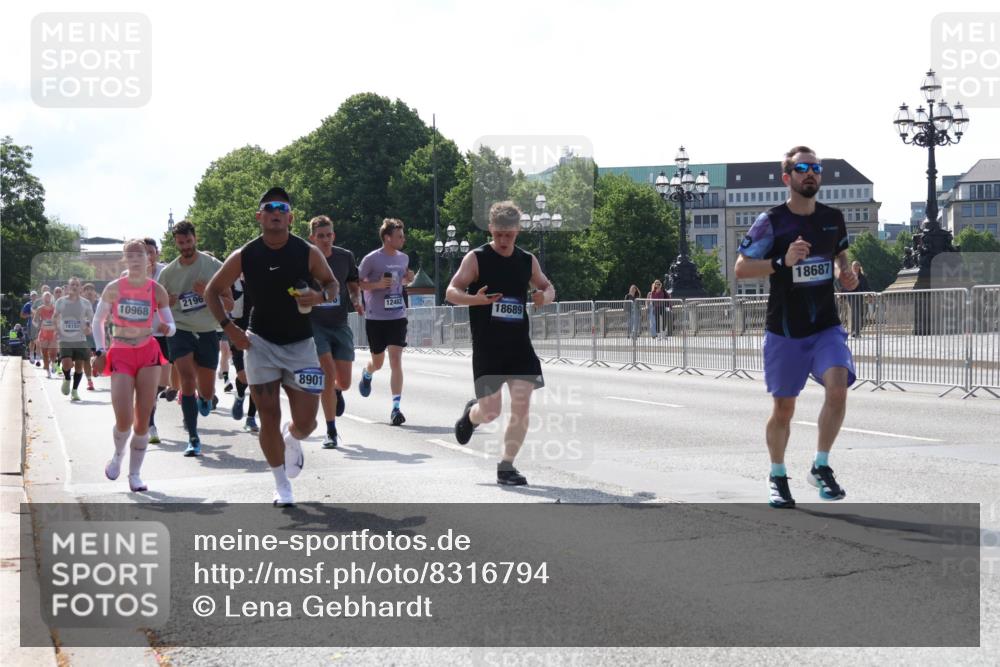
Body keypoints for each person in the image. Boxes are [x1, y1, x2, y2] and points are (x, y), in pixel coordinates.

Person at [734, 145, 858, 508]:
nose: (811, 173)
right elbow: (741, 268)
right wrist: (781, 261)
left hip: (825, 325)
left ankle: (821, 466)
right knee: (784, 409)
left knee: (838, 389)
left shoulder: (833, 217)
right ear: (786, 177)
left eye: (816, 168)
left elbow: (839, 256)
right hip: (785, 330)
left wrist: (845, 274)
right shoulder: (771, 221)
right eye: (802, 167)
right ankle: (777, 474)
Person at [205, 186, 339, 507]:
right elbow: (212, 291)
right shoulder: (245, 255)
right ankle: (281, 485)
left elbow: (333, 284)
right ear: (259, 216)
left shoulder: (307, 252)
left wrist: (319, 297)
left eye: (282, 208)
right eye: (269, 208)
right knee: (267, 414)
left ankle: (291, 437)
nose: (276, 212)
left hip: (301, 344)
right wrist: (230, 329)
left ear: (290, 217)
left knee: (308, 422)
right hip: (260, 342)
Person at [448, 201, 555, 486]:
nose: (504, 241)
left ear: (517, 231)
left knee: (521, 408)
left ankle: (506, 466)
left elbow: (547, 286)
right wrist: (475, 300)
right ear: (491, 229)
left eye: (509, 235)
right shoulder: (476, 258)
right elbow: (451, 291)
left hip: (519, 346)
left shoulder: (526, 260)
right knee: (491, 411)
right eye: (499, 235)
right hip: (488, 347)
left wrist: (545, 297)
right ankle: (471, 417)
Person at [91, 239, 175, 492]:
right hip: (121, 353)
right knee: (124, 419)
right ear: (125, 260)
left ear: (149, 260)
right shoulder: (114, 288)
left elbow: (171, 327)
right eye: (131, 256)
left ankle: (135, 474)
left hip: (148, 353)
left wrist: (165, 328)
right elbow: (98, 321)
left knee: (142, 420)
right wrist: (100, 350)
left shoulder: (156, 290)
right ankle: (118, 455)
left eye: (141, 255)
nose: (136, 259)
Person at [158, 221, 233, 456]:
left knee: (207, 391)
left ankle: (206, 399)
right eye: (181, 243)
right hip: (180, 330)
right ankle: (193, 437)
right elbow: (158, 307)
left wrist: (208, 293)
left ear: (195, 239)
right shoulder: (168, 273)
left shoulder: (214, 266)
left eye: (188, 242)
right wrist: (166, 304)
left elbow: (230, 303)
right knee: (188, 379)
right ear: (176, 243)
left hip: (208, 330)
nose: (185, 247)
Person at [308, 215, 363, 448]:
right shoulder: (305, 258)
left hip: (339, 324)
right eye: (320, 236)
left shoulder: (345, 256)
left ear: (334, 235)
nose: (325, 240)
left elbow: (352, 283)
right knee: (327, 375)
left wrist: (356, 299)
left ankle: (337, 392)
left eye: (328, 235)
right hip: (315, 325)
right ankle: (331, 431)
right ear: (312, 238)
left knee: (345, 382)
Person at [357, 219, 414, 426]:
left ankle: (396, 408)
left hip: (397, 315)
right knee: (378, 363)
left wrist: (409, 277)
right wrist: (377, 284)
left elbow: (404, 280)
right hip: (376, 317)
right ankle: (367, 372)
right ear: (388, 237)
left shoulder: (404, 258)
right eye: (399, 236)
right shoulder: (372, 259)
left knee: (396, 361)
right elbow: (357, 283)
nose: (403, 239)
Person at [226, 273, 259, 433]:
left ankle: (251, 418)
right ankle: (240, 394)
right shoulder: (232, 285)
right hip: (237, 333)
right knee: (244, 376)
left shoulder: (262, 281)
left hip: (260, 335)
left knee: (256, 378)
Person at [53, 277, 94, 401]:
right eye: (72, 285)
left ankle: (75, 391)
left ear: (80, 288)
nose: (74, 287)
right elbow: (55, 316)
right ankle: (66, 378)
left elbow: (92, 320)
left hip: (80, 339)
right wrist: (57, 329)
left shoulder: (86, 303)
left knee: (78, 366)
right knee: (66, 364)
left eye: (77, 285)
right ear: (69, 287)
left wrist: (89, 328)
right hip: (65, 338)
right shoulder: (61, 301)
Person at [33, 292, 58, 377]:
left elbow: (60, 320)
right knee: (44, 352)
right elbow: (34, 321)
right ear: (43, 299)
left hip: (53, 333)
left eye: (49, 297)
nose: (47, 299)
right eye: (45, 297)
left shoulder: (55, 308)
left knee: (53, 353)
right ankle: (48, 371)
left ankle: (54, 363)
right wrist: (39, 325)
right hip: (43, 333)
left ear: (51, 298)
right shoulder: (40, 309)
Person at [81, 283, 99, 390]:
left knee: (100, 356)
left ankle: (95, 364)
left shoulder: (100, 304)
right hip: (85, 334)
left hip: (98, 334)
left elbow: (108, 317)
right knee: (85, 358)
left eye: (91, 289)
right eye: (86, 289)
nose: (89, 291)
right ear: (83, 293)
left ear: (94, 292)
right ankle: (89, 381)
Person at [847, 261, 871, 337]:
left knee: (859, 313)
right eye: (854, 266)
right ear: (852, 267)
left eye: (857, 266)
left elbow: (866, 286)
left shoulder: (862, 277)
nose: (855, 268)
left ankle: (855, 331)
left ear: (859, 267)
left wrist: (870, 294)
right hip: (851, 296)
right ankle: (856, 332)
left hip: (859, 296)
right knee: (855, 312)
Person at [19, 292, 36, 364]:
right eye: (32, 296)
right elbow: (22, 315)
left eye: (35, 296)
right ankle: (31, 355)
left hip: (40, 325)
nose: (34, 297)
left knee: (38, 341)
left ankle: (37, 355)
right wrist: (30, 315)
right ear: (30, 297)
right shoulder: (28, 304)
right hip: (30, 325)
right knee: (33, 341)